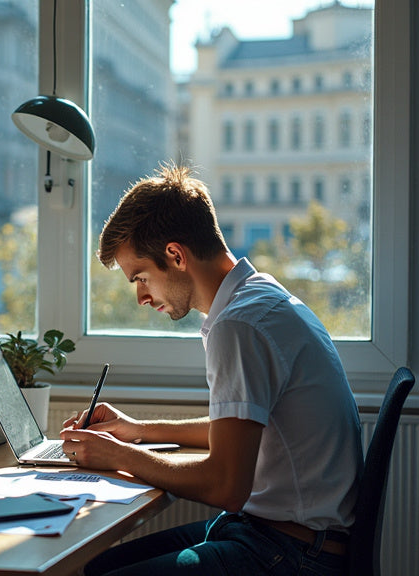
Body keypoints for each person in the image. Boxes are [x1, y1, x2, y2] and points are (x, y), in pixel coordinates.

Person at [60, 163, 363, 575]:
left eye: (141, 278)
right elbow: (237, 431)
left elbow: (226, 485)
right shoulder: (259, 297)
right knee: (101, 565)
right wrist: (138, 430)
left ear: (175, 254)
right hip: (279, 534)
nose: (141, 298)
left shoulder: (239, 325)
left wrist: (118, 454)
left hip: (289, 553)